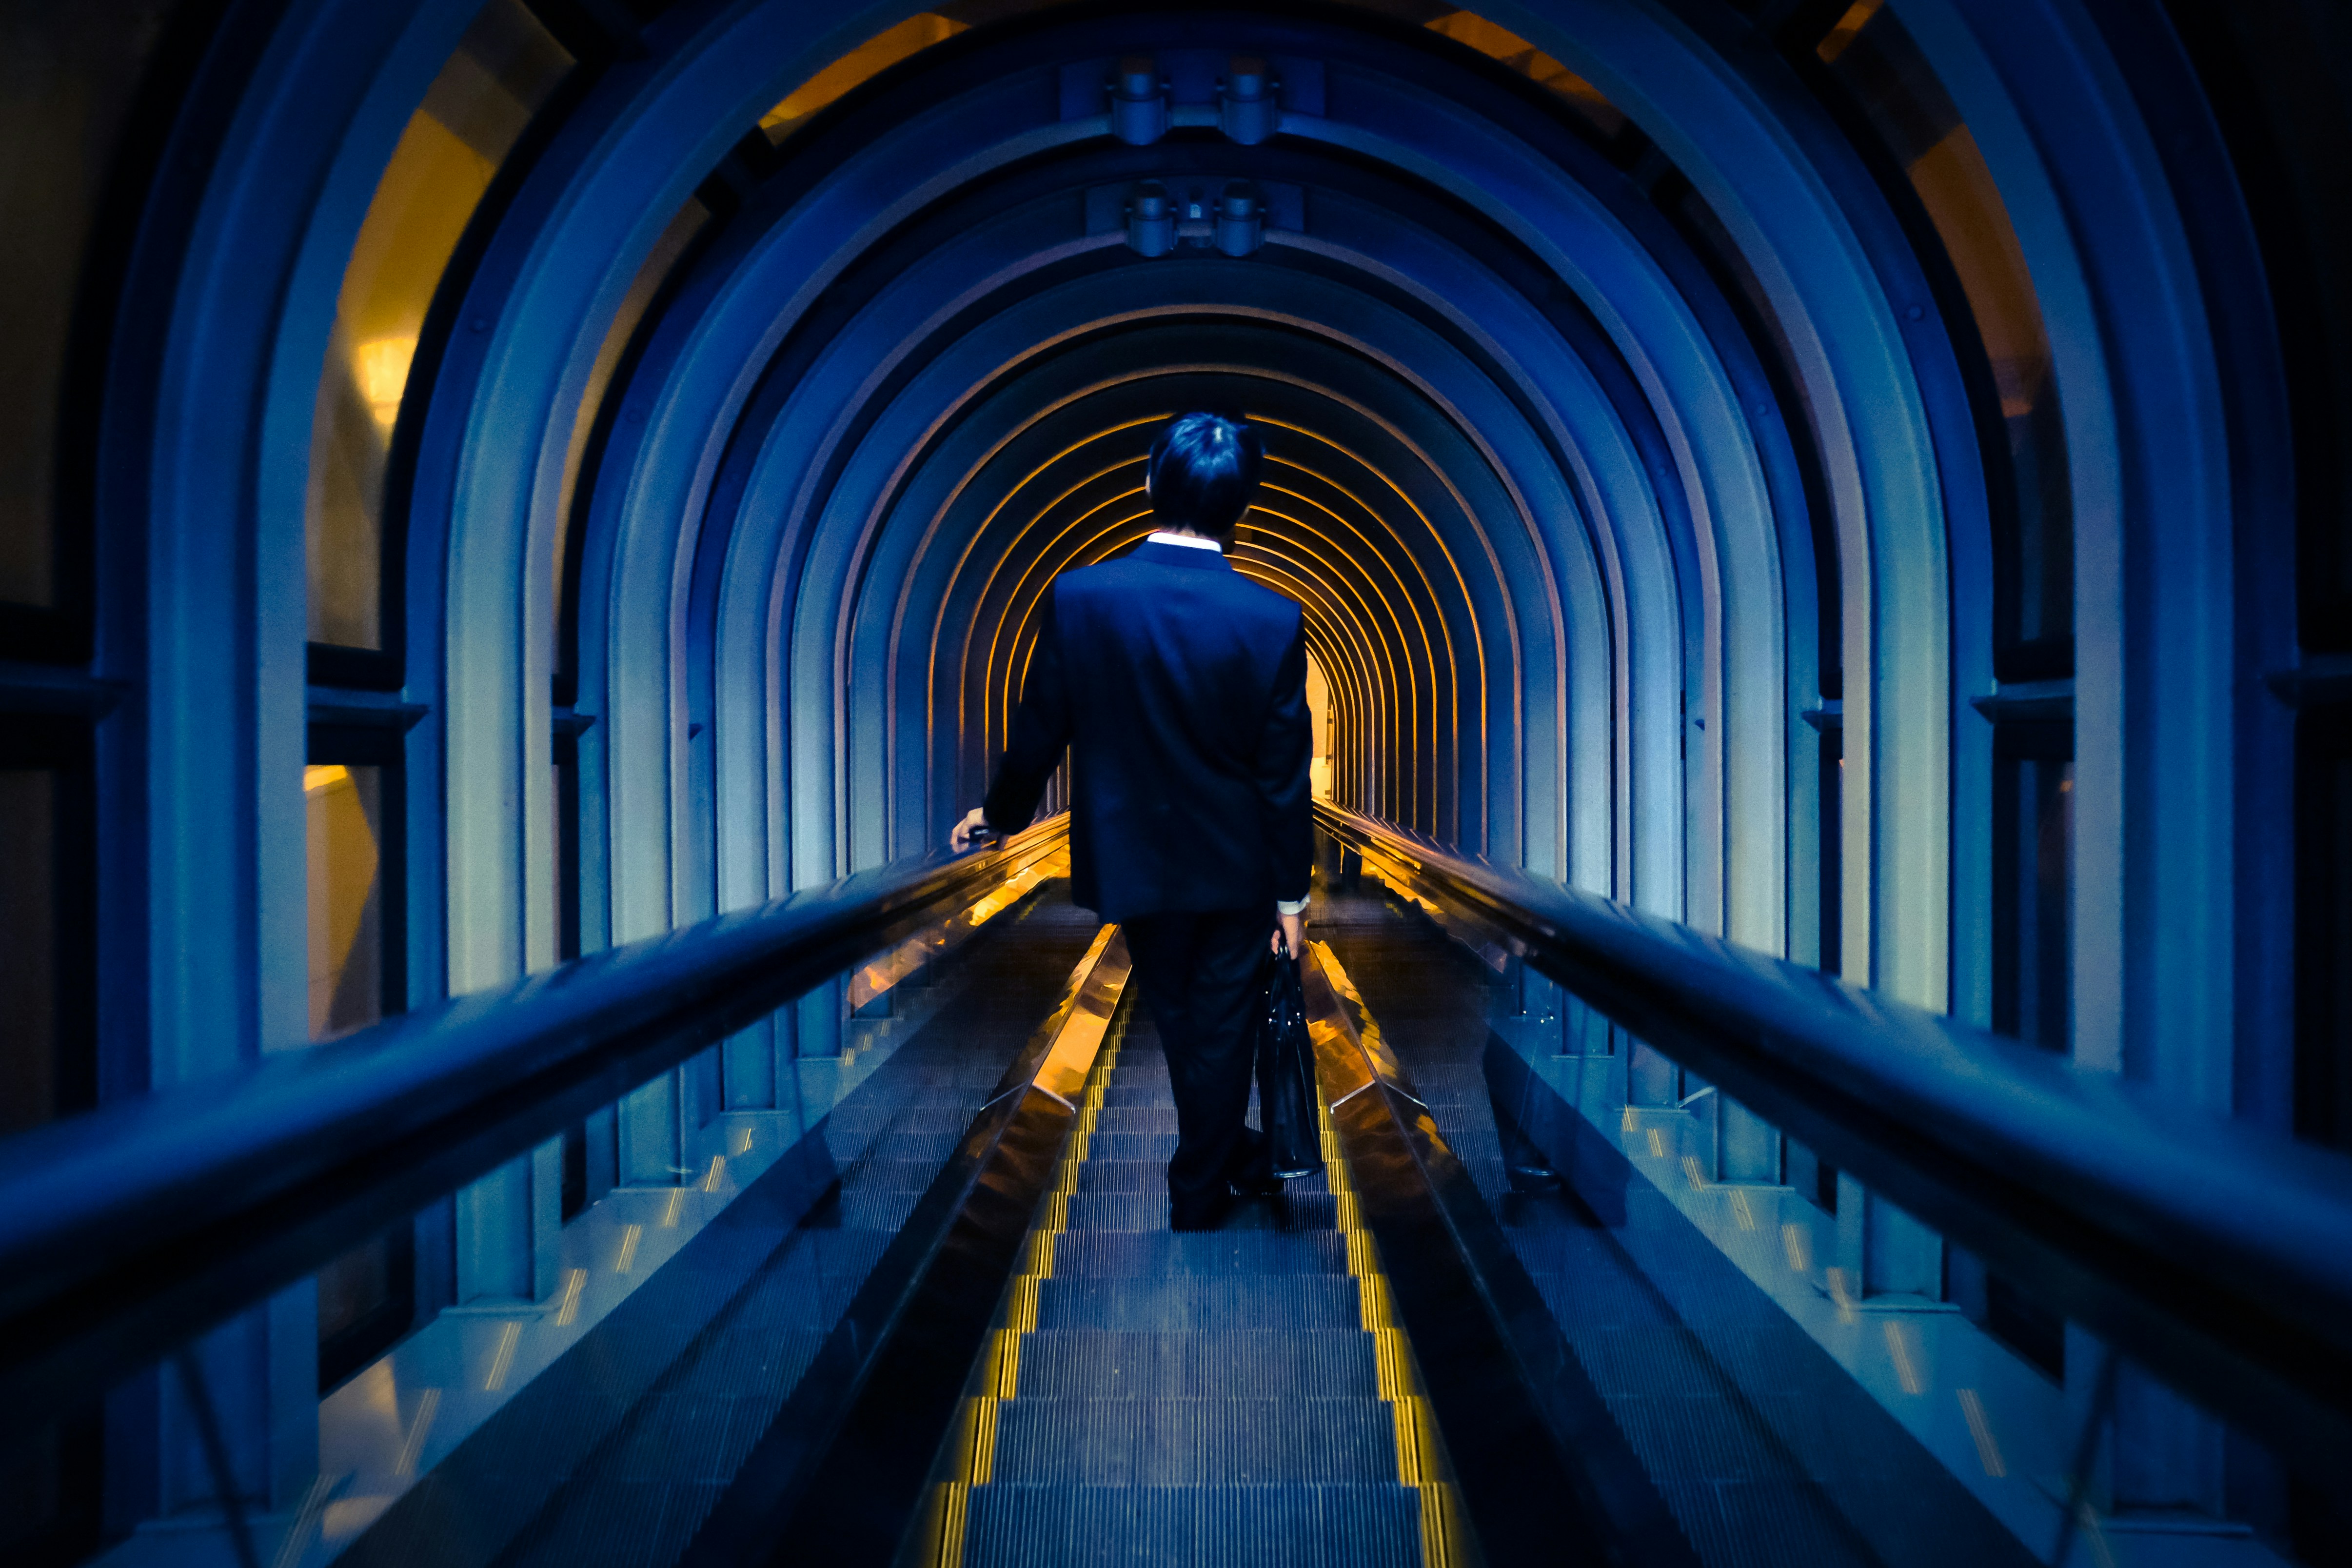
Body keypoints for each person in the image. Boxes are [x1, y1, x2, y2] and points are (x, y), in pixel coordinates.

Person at [951, 412, 1312, 1230]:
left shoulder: (1082, 598)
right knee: (1217, 1020)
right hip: (1237, 865)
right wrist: (1292, 896)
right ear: (1243, 506)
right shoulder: (1271, 619)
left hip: (1136, 860)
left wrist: (999, 816)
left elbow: (1040, 725)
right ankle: (1208, 1179)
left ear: (1149, 484)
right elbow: (1282, 774)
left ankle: (1210, 1172)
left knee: (1184, 1017)